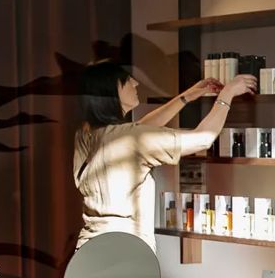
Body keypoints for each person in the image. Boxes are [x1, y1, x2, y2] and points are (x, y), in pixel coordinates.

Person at [71, 60, 254, 251]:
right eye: (126, 80)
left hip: (89, 251)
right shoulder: (128, 137)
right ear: (110, 91)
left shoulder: (87, 134)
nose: (135, 83)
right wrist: (227, 94)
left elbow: (139, 130)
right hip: (126, 251)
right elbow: (203, 138)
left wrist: (187, 96)